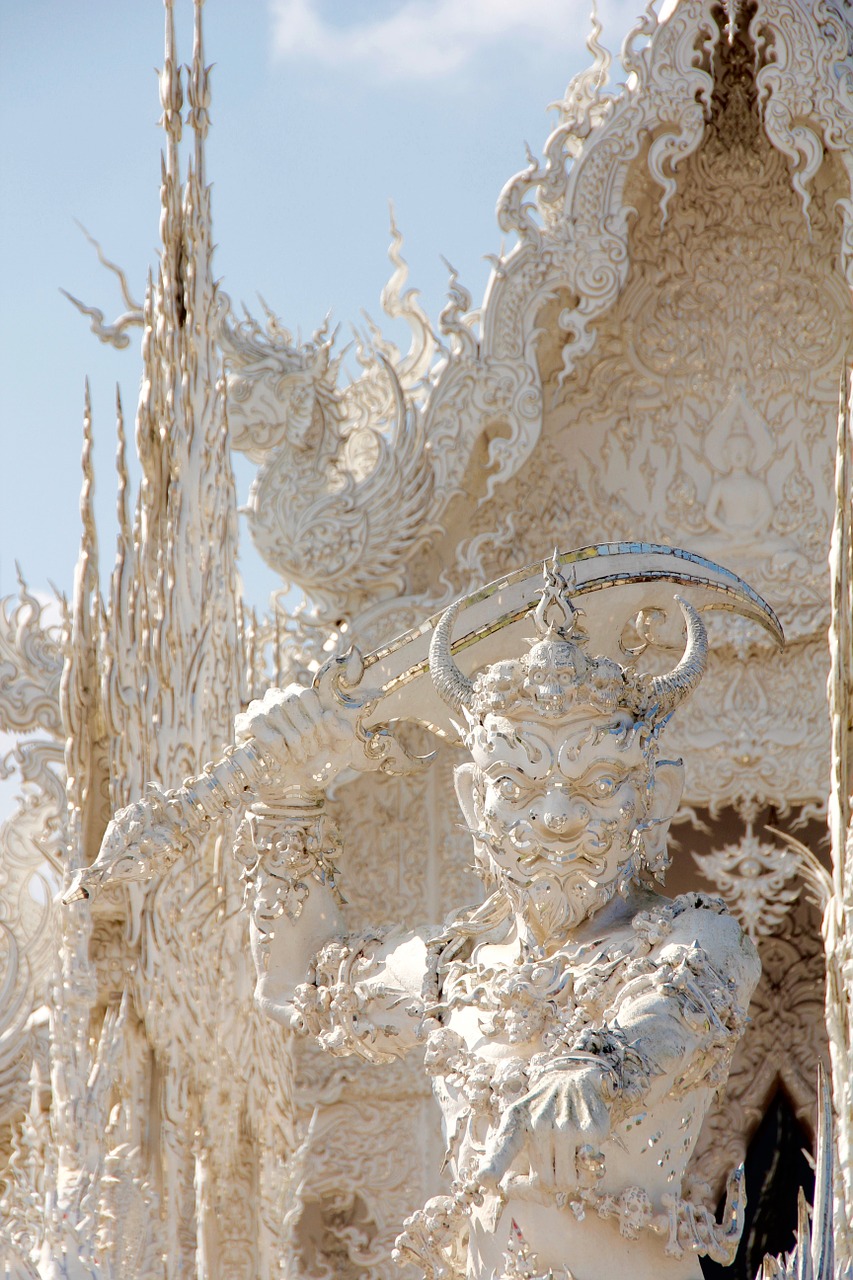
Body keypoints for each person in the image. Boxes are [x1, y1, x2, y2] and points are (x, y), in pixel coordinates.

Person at [229, 559, 761, 1280]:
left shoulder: (689, 940)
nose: (554, 817)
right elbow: (302, 983)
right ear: (474, 799)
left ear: (655, 796)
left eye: (596, 783)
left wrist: (593, 1068)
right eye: (518, 783)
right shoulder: (452, 968)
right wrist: (286, 801)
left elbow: (678, 1008)